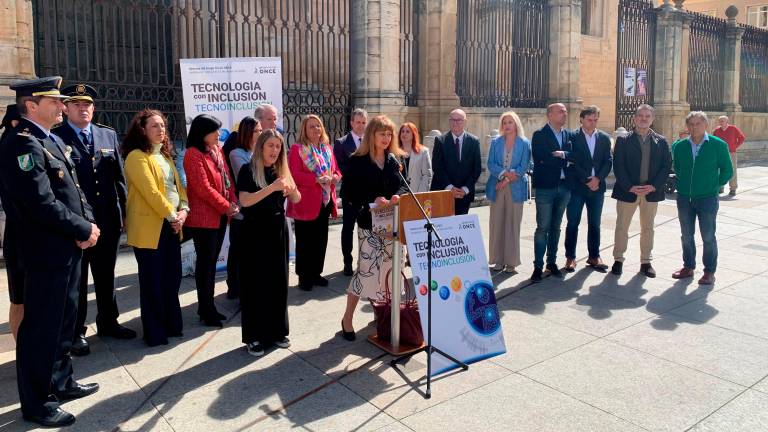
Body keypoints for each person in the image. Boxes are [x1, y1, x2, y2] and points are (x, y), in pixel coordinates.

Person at [0, 77, 100, 427]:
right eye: (53, 101)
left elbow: (72, 189)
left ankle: (62, 382)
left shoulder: (48, 139)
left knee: (63, 323)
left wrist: (87, 223)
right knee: (41, 329)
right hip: (44, 252)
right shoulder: (22, 145)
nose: (61, 106)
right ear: (31, 105)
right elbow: (40, 203)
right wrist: (81, 228)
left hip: (66, 249)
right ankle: (38, 402)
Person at [53, 84, 135, 357]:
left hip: (108, 219)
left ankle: (109, 322)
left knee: (106, 274)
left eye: (87, 104)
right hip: (77, 222)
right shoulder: (55, 137)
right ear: (65, 108)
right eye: (76, 104)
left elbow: (119, 180)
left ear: (94, 108)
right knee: (77, 279)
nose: (83, 108)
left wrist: (124, 212)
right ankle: (76, 332)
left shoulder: (106, 135)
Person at [123, 108, 188, 347]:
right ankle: (155, 332)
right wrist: (174, 216)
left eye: (162, 125)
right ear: (142, 130)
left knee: (172, 278)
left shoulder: (166, 156)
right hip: (151, 227)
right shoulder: (136, 157)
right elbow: (151, 193)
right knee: (153, 282)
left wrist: (184, 210)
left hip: (172, 223)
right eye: (154, 126)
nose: (161, 130)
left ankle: (172, 324)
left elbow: (177, 189)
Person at [340, 115, 407, 341]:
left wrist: (398, 197)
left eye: (389, 134)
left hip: (393, 226)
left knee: (391, 273)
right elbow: (347, 194)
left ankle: (385, 315)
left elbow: (404, 187)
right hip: (369, 226)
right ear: (372, 135)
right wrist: (371, 202)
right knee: (366, 273)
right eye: (382, 134)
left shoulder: (394, 161)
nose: (387, 138)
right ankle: (347, 318)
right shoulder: (358, 161)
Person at [237, 129, 300, 356]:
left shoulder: (280, 170)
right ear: (261, 147)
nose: (275, 150)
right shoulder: (248, 170)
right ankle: (254, 336)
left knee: (278, 281)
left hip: (277, 229)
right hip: (254, 231)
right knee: (255, 284)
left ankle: (277, 331)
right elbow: (244, 200)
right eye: (271, 146)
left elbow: (297, 198)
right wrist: (271, 188)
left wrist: (292, 191)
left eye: (278, 146)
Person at [183, 114, 238, 327]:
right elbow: (203, 189)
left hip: (220, 215)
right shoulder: (192, 154)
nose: (218, 135)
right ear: (201, 132)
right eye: (214, 131)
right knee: (206, 266)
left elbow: (226, 178)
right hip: (204, 219)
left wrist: (232, 199)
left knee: (212, 263)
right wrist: (227, 206)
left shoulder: (216, 150)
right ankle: (206, 309)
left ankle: (209, 307)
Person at [671, 112, 732, 285]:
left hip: (707, 199)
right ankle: (688, 266)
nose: (694, 127)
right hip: (684, 198)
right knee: (686, 235)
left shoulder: (718, 145)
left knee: (708, 236)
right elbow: (678, 167)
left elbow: (727, 170)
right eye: (691, 124)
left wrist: (714, 186)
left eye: (698, 123)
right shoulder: (679, 146)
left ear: (705, 125)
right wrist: (683, 185)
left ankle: (709, 271)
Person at [610, 104, 671, 277]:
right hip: (627, 191)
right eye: (640, 116)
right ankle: (618, 260)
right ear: (634, 118)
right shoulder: (623, 140)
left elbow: (666, 166)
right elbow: (618, 165)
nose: (643, 119)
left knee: (648, 228)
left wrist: (654, 186)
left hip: (651, 192)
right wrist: (630, 186)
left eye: (647, 116)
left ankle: (646, 262)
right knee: (622, 227)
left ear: (652, 119)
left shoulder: (662, 141)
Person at [286, 114, 341, 291]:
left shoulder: (327, 149)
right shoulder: (297, 149)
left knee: (320, 240)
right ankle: (304, 277)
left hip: (325, 202)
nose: (316, 129)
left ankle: (316, 273)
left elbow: (337, 170)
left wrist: (334, 177)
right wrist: (316, 179)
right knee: (305, 241)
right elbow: (294, 175)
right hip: (306, 203)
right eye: (312, 126)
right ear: (304, 129)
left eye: (318, 126)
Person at [563, 106, 613, 272]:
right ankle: (570, 257)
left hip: (597, 188)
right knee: (573, 223)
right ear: (582, 119)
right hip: (578, 187)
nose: (593, 123)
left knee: (595, 223)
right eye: (590, 119)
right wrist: (586, 179)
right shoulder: (572, 137)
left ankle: (594, 256)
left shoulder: (605, 138)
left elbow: (608, 161)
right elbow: (571, 162)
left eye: (595, 120)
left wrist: (598, 179)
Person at [530, 103, 573, 282]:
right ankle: (538, 266)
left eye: (565, 111)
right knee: (543, 227)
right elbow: (542, 158)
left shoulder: (569, 135)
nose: (564, 114)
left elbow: (577, 155)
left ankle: (552, 262)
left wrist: (561, 155)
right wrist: (566, 158)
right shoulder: (539, 135)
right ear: (550, 115)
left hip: (564, 187)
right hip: (545, 188)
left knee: (556, 227)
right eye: (560, 111)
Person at [486, 111, 530, 274]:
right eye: (504, 123)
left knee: (512, 224)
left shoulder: (524, 142)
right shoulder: (496, 142)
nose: (507, 125)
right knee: (497, 223)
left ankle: (511, 262)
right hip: (496, 188)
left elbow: (525, 165)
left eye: (510, 122)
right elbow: (491, 164)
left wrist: (507, 180)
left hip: (515, 188)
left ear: (516, 124)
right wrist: (503, 175)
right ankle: (497, 260)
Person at [225, 116, 262, 299]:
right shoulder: (237, 153)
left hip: (258, 211)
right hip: (242, 212)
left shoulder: (261, 151)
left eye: (261, 130)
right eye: (257, 131)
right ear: (247, 132)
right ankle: (234, 288)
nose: (260, 134)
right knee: (238, 253)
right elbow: (248, 176)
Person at [0, 104, 24, 341]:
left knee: (21, 298)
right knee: (20, 298)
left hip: (19, 235)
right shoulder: (13, 147)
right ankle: (23, 349)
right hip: (20, 236)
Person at [334, 108, 368, 276]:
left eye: (363, 122)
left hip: (368, 194)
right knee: (348, 229)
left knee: (367, 229)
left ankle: (365, 261)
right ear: (351, 123)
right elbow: (341, 167)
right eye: (358, 122)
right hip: (350, 194)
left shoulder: (370, 141)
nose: (361, 126)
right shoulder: (341, 143)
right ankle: (347, 262)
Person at [430, 108, 481, 215]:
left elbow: (476, 169)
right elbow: (437, 167)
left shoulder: (474, 141)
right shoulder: (440, 141)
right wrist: (450, 188)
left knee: (460, 229)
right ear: (449, 121)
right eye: (453, 120)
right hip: (443, 192)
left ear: (465, 122)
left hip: (464, 195)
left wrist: (465, 189)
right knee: (443, 228)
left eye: (459, 120)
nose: (455, 123)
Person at [713, 115, 745, 196]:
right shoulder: (716, 130)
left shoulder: (733, 128)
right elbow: (713, 141)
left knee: (732, 170)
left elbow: (742, 138)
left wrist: (735, 146)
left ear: (727, 121)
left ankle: (733, 189)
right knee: (719, 170)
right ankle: (720, 187)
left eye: (723, 121)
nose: (721, 122)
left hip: (731, 152)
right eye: (720, 121)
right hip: (719, 153)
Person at [399, 122, 433, 193]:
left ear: (413, 134)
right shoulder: (394, 153)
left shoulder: (423, 152)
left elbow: (427, 175)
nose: (404, 134)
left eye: (407, 131)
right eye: (402, 131)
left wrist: (420, 194)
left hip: (416, 194)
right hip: (398, 196)